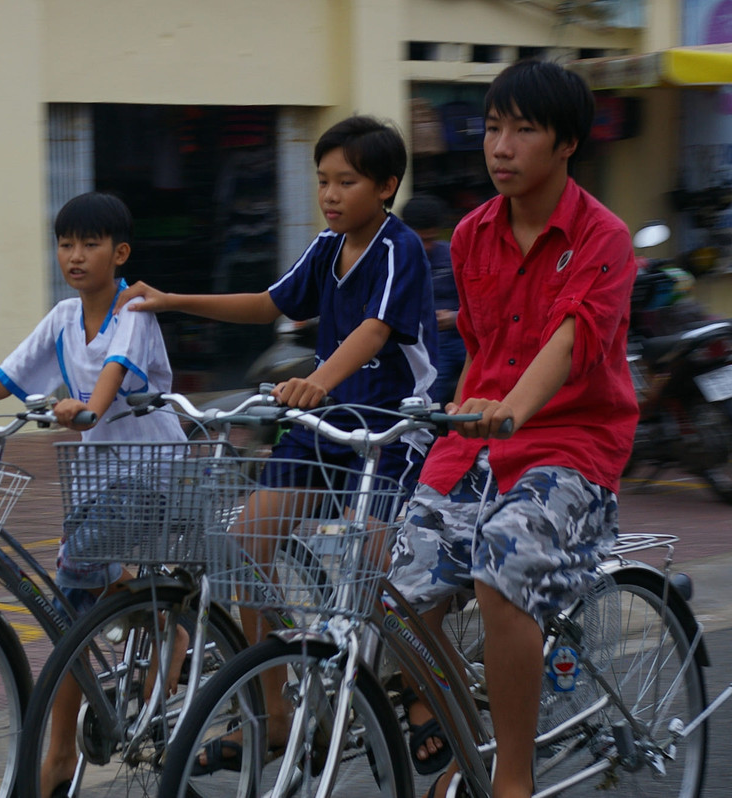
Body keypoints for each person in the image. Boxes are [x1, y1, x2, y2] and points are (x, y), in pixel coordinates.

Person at [119, 114, 439, 767]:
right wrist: (173, 299)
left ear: (386, 186)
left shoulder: (396, 248)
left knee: (377, 575)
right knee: (242, 545)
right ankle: (273, 711)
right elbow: (271, 304)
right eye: (322, 180)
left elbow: (374, 331)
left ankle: (420, 690)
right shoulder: (328, 245)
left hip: (393, 429)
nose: (329, 193)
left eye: (345, 181)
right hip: (328, 426)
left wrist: (316, 380)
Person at [387, 59, 638, 798]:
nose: (501, 147)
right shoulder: (470, 235)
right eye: (494, 128)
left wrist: (514, 410)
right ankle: (471, 739)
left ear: (565, 144)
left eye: (523, 131)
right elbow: (482, 349)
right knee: (390, 585)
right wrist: (455, 428)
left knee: (502, 566)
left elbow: (567, 340)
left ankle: (513, 780)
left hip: (571, 447)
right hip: (480, 436)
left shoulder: (604, 237)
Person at [0, 191, 187, 798]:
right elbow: (5, 378)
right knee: (71, 614)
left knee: (74, 594)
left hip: (154, 473)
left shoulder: (133, 310)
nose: (75, 256)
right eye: (65, 244)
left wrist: (86, 410)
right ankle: (146, 631)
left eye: (90, 244)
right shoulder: (60, 318)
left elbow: (110, 376)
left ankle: (62, 751)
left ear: (120, 252)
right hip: (97, 480)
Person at [402, 193, 464, 407]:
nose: (427, 247)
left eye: (431, 239)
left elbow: (476, 305)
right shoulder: (396, 264)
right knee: (432, 389)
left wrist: (454, 318)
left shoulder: (451, 255)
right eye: (421, 240)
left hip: (459, 337)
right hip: (426, 345)